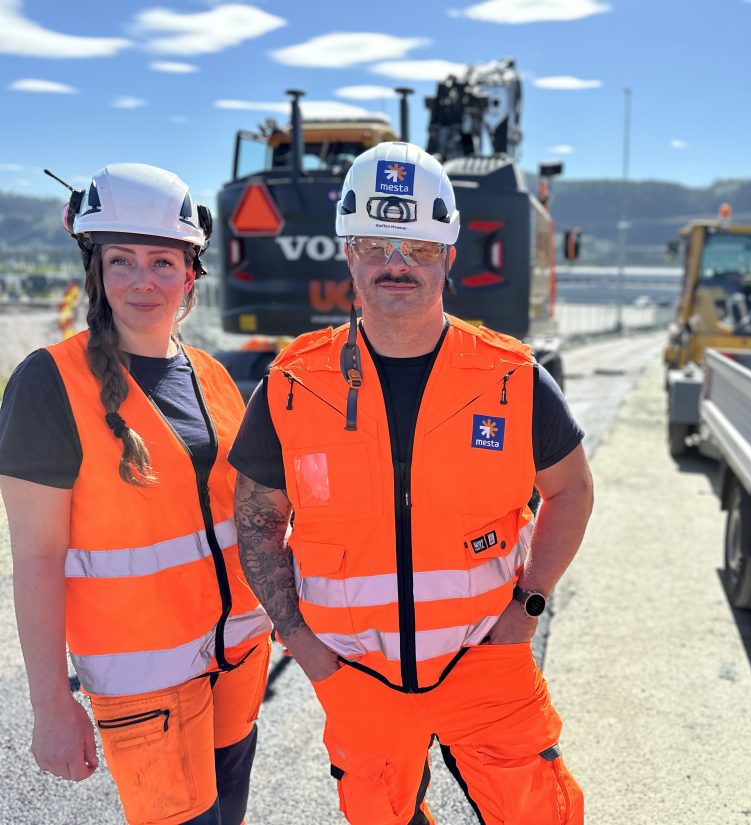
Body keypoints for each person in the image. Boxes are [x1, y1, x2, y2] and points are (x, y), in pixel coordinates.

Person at [230, 141, 592, 825]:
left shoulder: (511, 377)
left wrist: (529, 609)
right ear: (348, 253)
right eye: (376, 243)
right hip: (357, 676)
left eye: (420, 248)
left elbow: (572, 489)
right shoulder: (293, 383)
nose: (396, 265)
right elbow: (255, 521)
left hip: (490, 664)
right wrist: (302, 644)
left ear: (449, 256)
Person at [0, 164, 273, 825]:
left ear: (190, 273)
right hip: (146, 690)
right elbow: (36, 557)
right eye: (121, 261)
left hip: (237, 667)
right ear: (96, 271)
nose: (142, 280)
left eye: (162, 260)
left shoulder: (211, 375)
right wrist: (50, 704)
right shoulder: (48, 385)